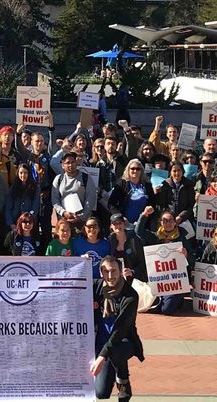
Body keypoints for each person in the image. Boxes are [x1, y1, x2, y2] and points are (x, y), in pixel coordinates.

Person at [91, 255, 144, 402]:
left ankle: (123, 380)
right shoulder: (96, 286)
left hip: (123, 340)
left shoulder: (130, 296)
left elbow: (120, 330)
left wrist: (101, 357)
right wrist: (80, 263)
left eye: (114, 271)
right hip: (98, 341)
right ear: (100, 273)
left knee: (117, 351)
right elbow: (72, 283)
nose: (110, 275)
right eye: (106, 271)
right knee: (101, 393)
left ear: (120, 271)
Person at [52, 153, 95, 225]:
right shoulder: (58, 179)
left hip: (81, 220)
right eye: (67, 163)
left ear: (76, 163)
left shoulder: (86, 178)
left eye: (73, 162)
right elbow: (55, 200)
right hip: (64, 220)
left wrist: (81, 216)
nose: (70, 165)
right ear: (63, 165)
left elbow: (90, 199)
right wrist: (63, 212)